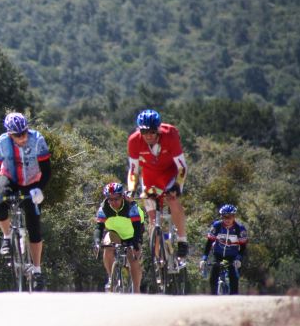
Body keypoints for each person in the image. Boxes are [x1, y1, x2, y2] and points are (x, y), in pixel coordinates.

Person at [0, 112, 51, 291]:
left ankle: (37, 269)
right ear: (10, 134)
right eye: (18, 135)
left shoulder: (38, 140)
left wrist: (39, 188)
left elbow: (47, 169)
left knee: (34, 225)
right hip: (10, 177)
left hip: (33, 180)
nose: (23, 137)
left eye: (25, 132)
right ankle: (7, 236)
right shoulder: (1, 142)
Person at [126, 108, 190, 257]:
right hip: (150, 178)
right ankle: (158, 261)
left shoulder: (170, 135)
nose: (148, 136)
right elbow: (133, 170)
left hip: (170, 174)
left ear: (158, 130)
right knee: (152, 218)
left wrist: (177, 186)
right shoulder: (134, 141)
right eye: (144, 132)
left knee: (172, 200)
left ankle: (182, 240)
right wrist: (130, 189)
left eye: (152, 132)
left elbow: (182, 167)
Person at [94, 182, 144, 292]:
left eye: (116, 199)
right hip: (115, 233)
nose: (113, 202)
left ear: (122, 197)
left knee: (133, 259)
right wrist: (97, 242)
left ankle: (136, 290)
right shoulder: (104, 208)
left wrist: (135, 244)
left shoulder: (131, 206)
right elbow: (99, 227)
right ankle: (112, 278)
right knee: (107, 246)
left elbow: (137, 227)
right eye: (110, 199)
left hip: (133, 233)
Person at [200, 204, 248, 295]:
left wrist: (238, 258)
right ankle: (213, 297)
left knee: (233, 276)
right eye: (224, 217)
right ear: (221, 217)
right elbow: (209, 243)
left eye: (230, 217)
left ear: (234, 216)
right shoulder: (217, 226)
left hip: (232, 256)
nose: (227, 219)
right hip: (218, 254)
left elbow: (243, 247)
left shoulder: (240, 228)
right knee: (213, 275)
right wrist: (204, 258)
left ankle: (234, 297)